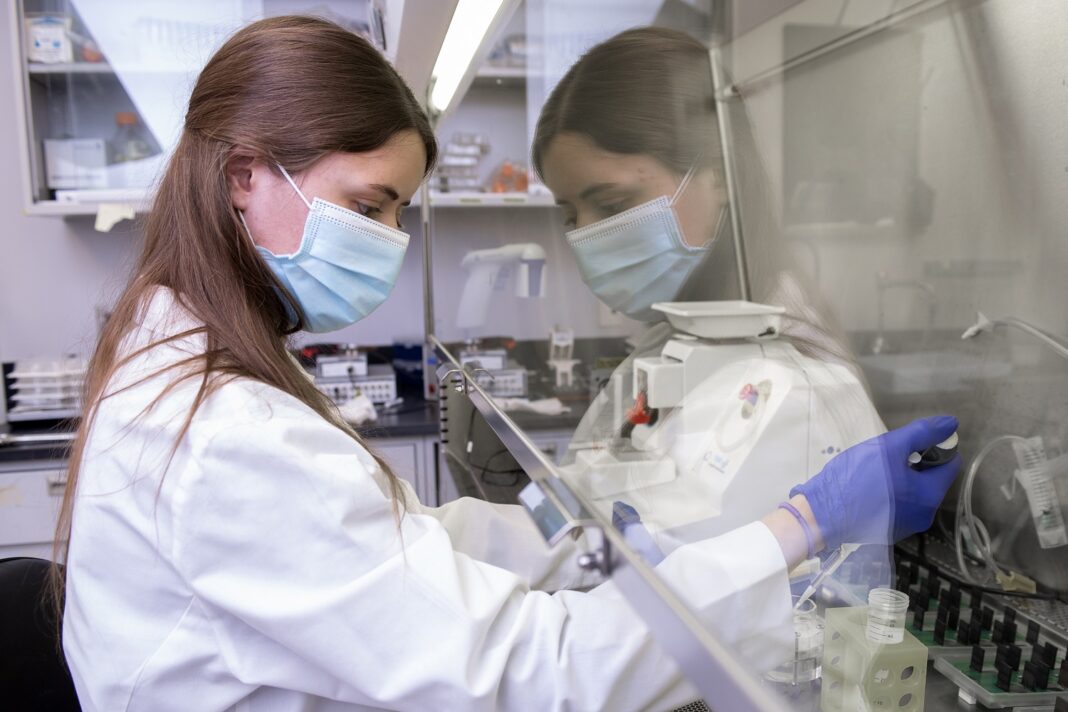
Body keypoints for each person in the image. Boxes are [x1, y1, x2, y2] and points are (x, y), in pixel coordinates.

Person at [55, 16, 960, 712]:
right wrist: (803, 521)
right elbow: (536, 672)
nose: (392, 242)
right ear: (245, 175)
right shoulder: (224, 436)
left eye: (398, 211)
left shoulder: (180, 363)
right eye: (370, 207)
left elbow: (386, 544)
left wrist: (571, 538)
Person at [531, 26, 888, 545]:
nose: (588, 237)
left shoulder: (792, 383)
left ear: (716, 177)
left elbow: (729, 597)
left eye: (610, 206)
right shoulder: (680, 340)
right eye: (571, 215)